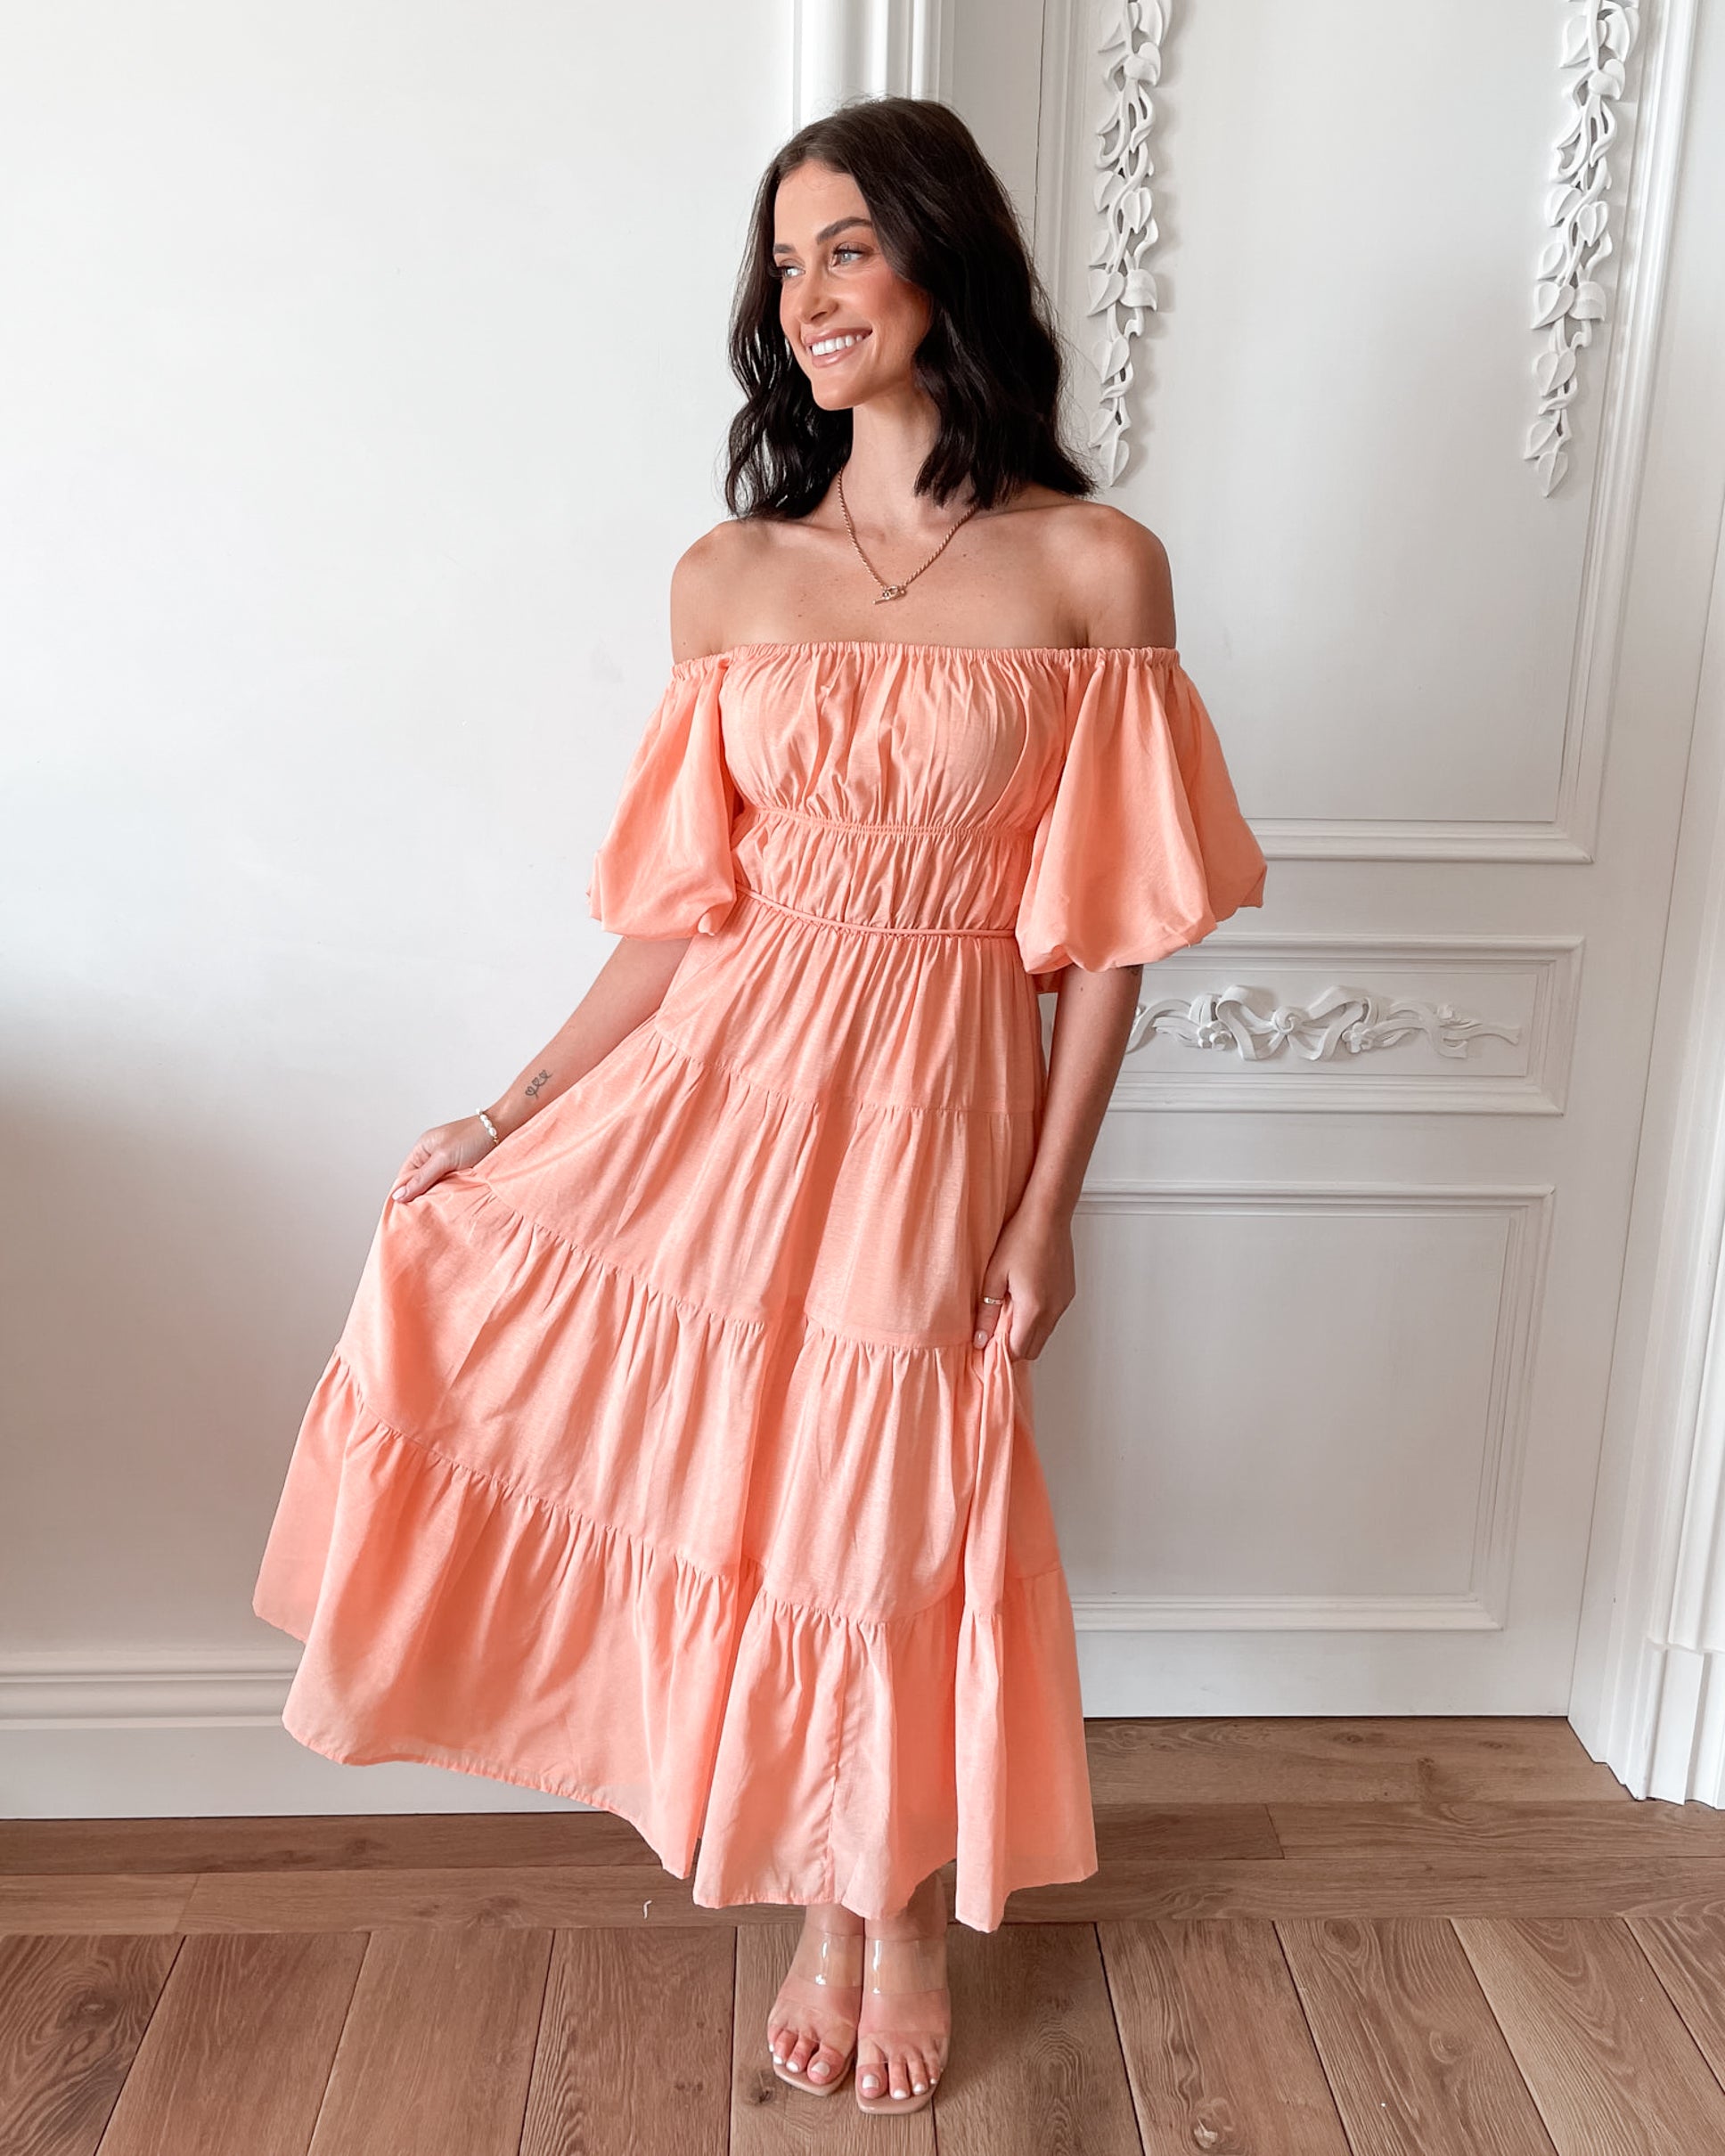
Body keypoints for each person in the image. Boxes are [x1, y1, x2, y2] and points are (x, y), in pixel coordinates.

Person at [251, 94, 1266, 2118]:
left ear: (938, 261)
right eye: (781, 259)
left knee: (883, 1500)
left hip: (934, 1096)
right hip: (722, 1090)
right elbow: (675, 920)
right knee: (735, 1482)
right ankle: (825, 1882)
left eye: (843, 249)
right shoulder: (729, 577)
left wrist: (1044, 1205)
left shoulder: (1092, 566)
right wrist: (515, 1105)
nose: (804, 295)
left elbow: (1103, 939)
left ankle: (880, 1905)